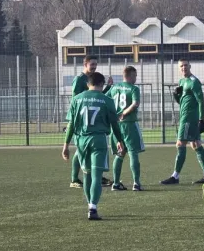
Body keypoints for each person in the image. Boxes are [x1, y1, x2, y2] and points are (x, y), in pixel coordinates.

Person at [62, 72, 124, 220]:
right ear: (102, 84)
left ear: (88, 84)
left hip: (82, 141)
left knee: (87, 175)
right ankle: (93, 208)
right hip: (99, 140)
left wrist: (65, 144)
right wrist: (120, 140)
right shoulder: (107, 100)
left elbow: (71, 125)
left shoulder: (76, 99)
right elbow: (114, 123)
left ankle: (89, 204)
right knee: (97, 176)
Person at [160, 59, 204, 185]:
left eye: (186, 65)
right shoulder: (182, 81)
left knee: (180, 144)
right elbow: (182, 101)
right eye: (181, 66)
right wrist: (177, 96)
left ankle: (175, 176)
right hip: (184, 116)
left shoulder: (194, 82)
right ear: (179, 68)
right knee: (196, 144)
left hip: (189, 118)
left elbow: (201, 101)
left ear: (190, 66)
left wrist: (201, 119)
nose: (183, 68)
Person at [70, 55, 113, 189]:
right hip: (81, 121)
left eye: (95, 64)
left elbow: (96, 97)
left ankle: (97, 175)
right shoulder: (79, 80)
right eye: (92, 64)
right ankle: (75, 179)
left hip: (90, 120)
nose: (94, 67)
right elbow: (77, 99)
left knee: (86, 150)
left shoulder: (93, 79)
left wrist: (108, 88)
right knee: (79, 150)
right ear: (85, 64)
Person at [108, 66, 145, 192]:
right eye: (135, 75)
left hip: (116, 125)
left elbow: (105, 98)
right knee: (133, 152)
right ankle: (136, 183)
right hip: (129, 123)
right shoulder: (134, 89)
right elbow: (135, 104)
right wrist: (124, 112)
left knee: (120, 153)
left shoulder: (114, 88)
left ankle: (116, 183)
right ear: (130, 75)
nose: (136, 78)